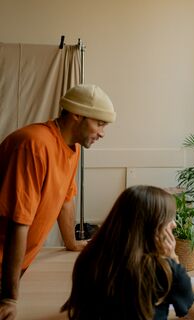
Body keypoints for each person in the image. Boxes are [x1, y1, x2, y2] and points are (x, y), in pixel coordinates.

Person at [0, 84, 116, 320]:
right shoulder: (34, 144)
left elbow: (65, 199)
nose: (102, 133)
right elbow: (18, 222)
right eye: (99, 123)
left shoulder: (72, 147)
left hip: (16, 264)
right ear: (76, 115)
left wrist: (72, 243)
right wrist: (9, 297)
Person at [61, 185, 194, 320]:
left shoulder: (89, 256)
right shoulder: (165, 269)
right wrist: (175, 262)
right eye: (169, 218)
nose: (174, 224)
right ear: (153, 226)